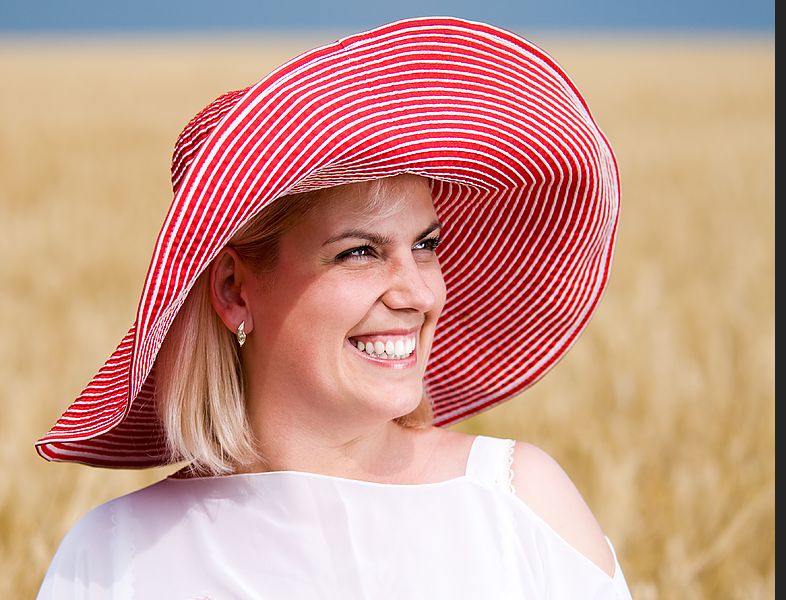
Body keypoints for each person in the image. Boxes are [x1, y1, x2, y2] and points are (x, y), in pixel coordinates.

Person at [36, 16, 631, 599]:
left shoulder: (520, 506)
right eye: (360, 252)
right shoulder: (114, 560)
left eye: (427, 245)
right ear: (232, 290)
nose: (419, 295)